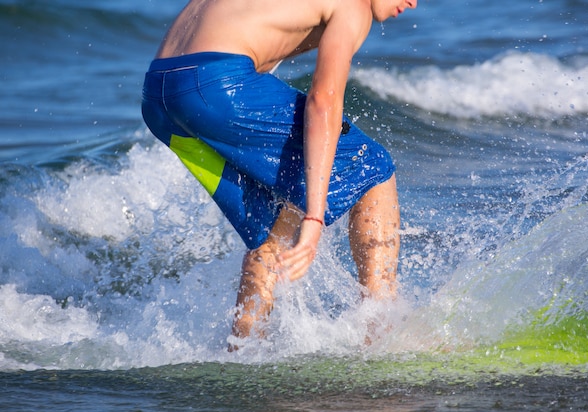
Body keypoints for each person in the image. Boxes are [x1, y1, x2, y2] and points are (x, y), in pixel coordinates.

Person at [142, 0, 415, 346]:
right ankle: (382, 330)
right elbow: (323, 101)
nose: (414, 2)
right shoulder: (354, 6)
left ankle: (244, 350)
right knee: (372, 165)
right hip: (215, 85)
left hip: (158, 98)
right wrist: (315, 218)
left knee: (274, 227)